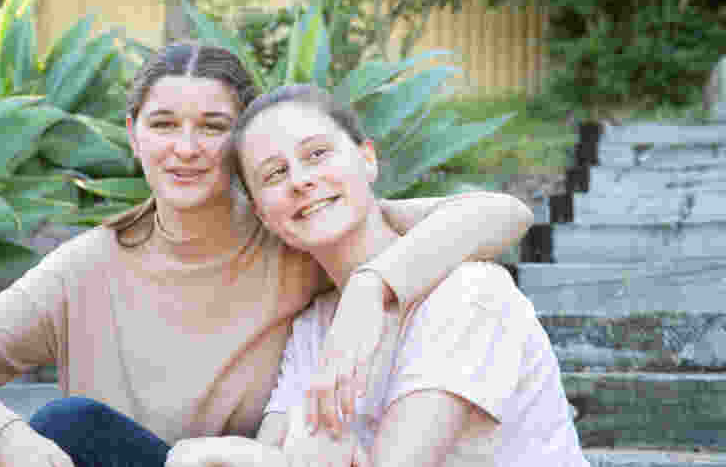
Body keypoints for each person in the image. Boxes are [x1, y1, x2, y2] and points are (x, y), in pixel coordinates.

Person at [0, 43, 534, 467]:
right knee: (63, 426)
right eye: (163, 125)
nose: (185, 149)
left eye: (213, 127)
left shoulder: (293, 232)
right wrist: (8, 441)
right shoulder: (86, 266)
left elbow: (497, 213)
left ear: (242, 146)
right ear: (134, 134)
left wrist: (370, 287)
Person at [165, 84, 588, 467]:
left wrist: (217, 451)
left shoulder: (468, 291)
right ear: (263, 214)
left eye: (317, 154)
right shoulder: (314, 327)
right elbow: (275, 451)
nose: (301, 181)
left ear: (367, 158)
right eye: (275, 174)